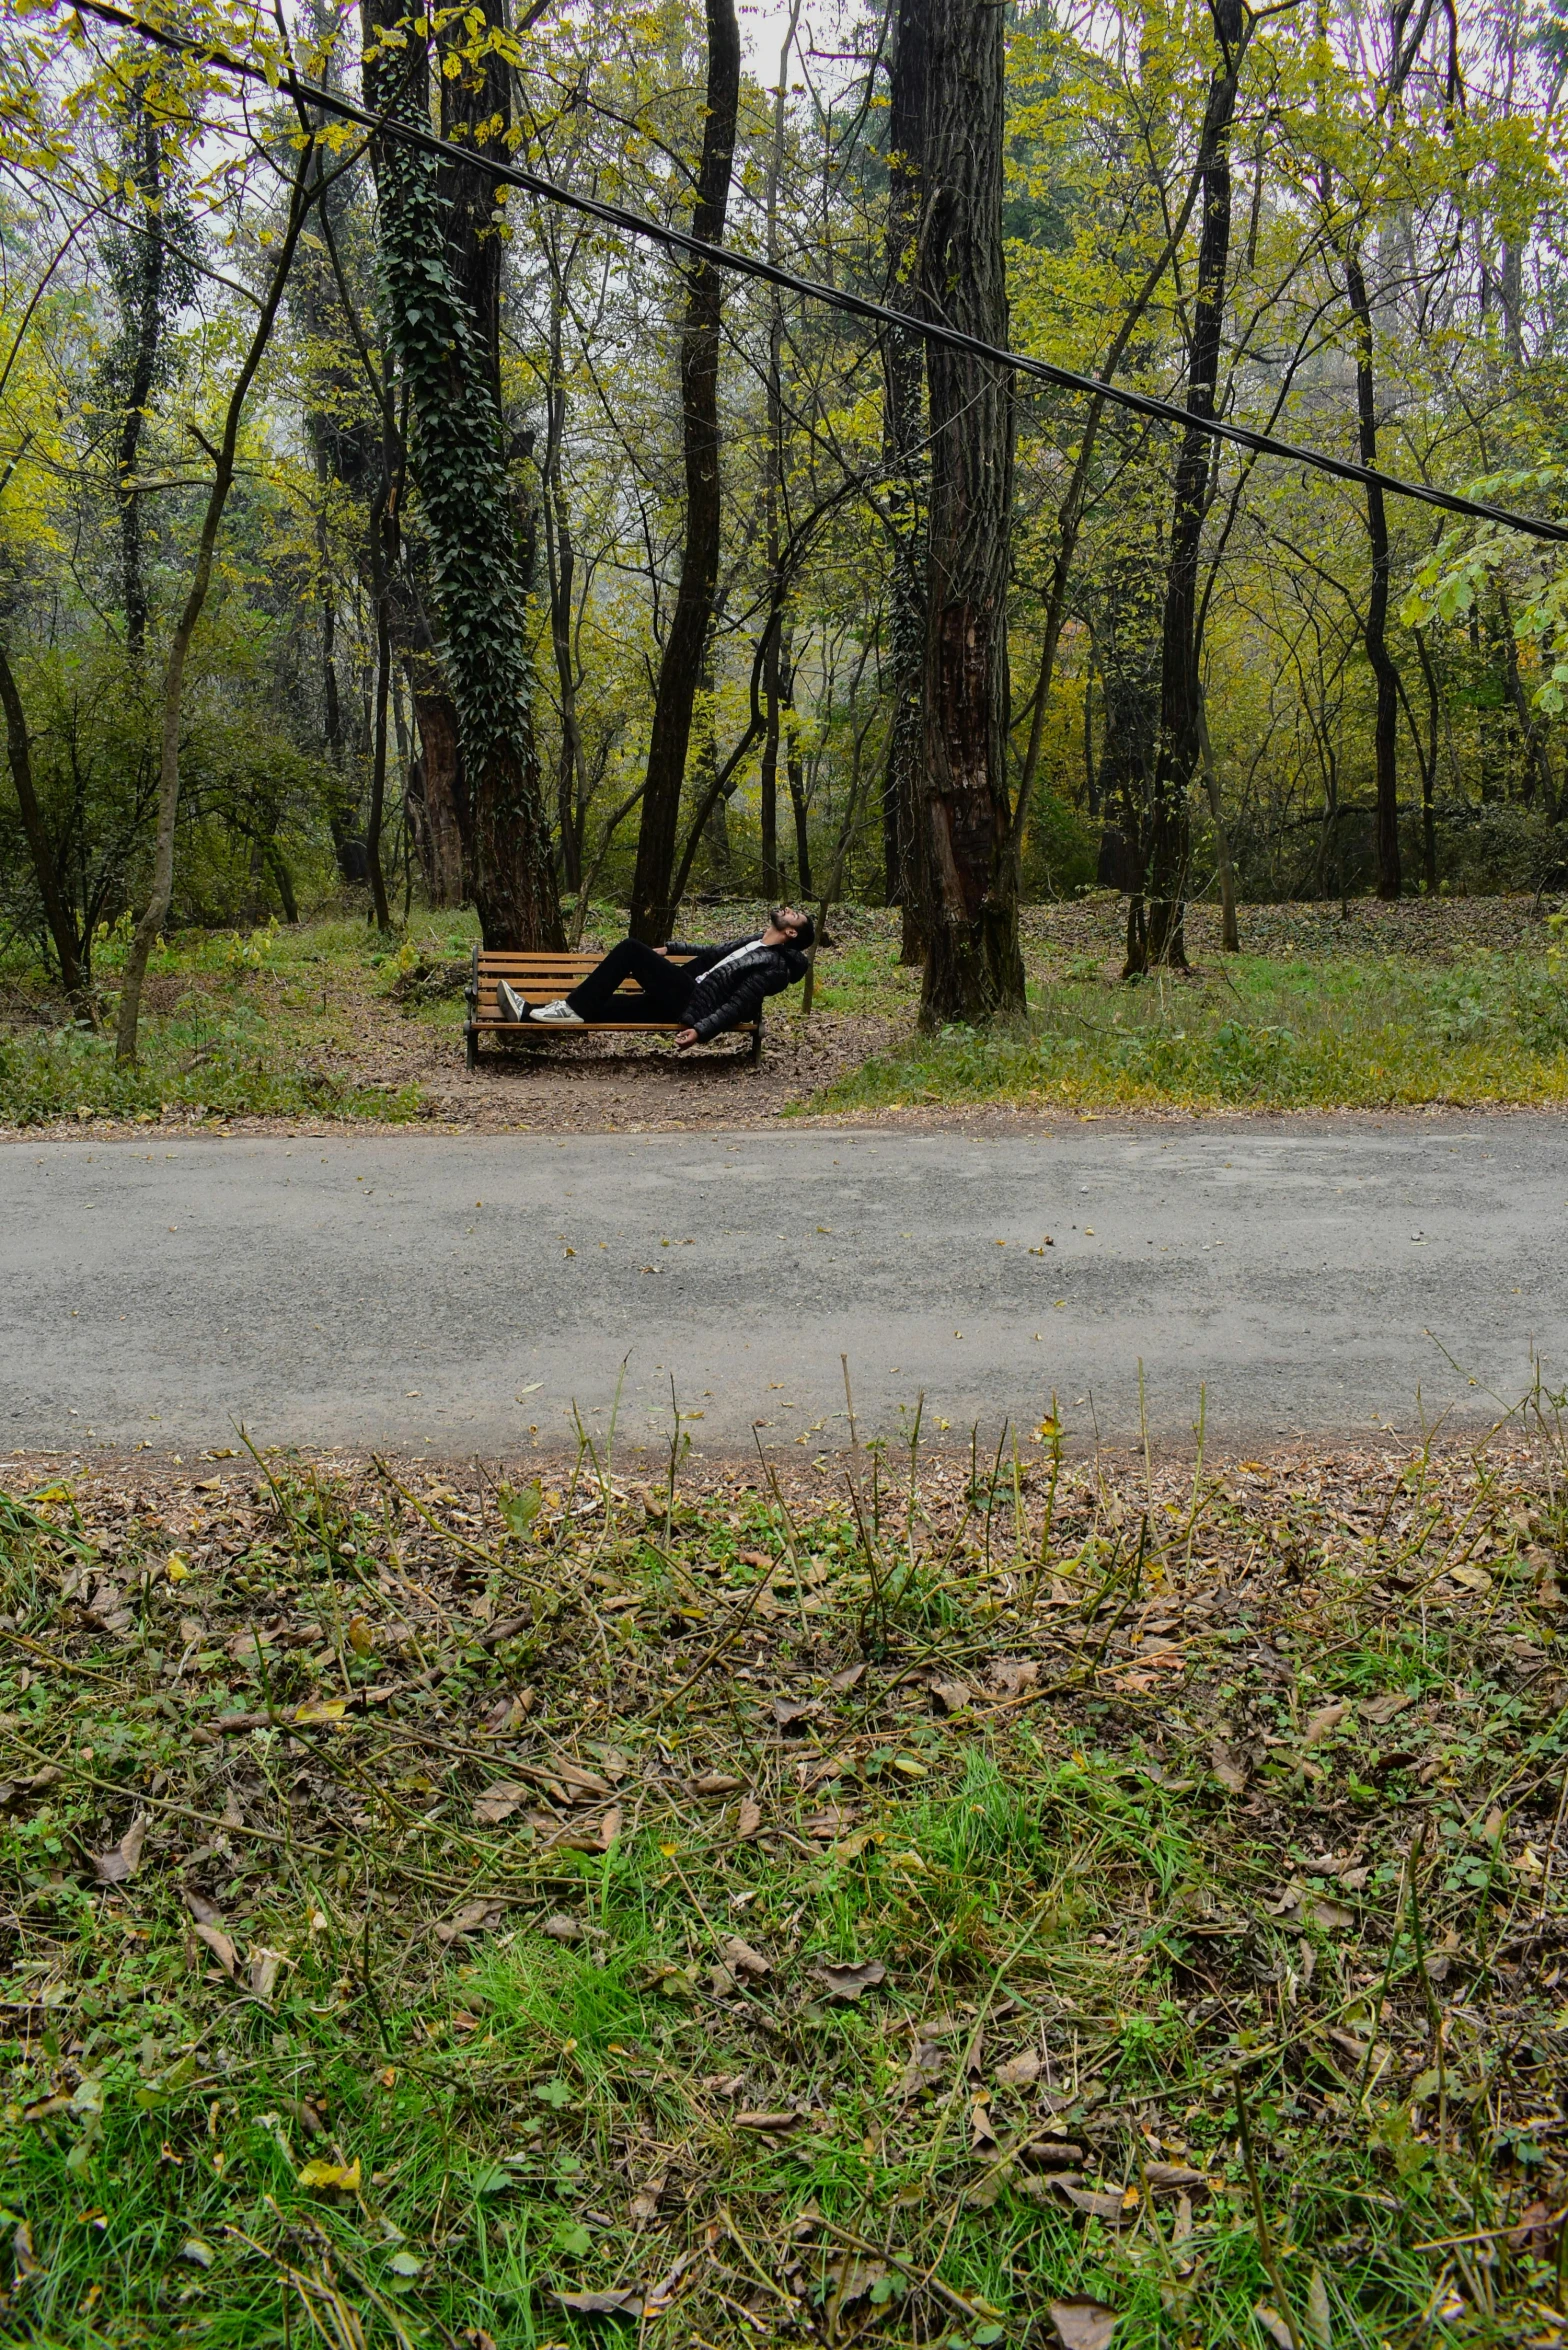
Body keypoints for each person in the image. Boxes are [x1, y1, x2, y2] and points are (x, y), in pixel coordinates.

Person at [496, 906, 814, 1050]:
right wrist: (671, 948)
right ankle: (528, 1012)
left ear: (790, 932)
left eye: (794, 915)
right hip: (682, 990)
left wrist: (700, 1032)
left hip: (692, 1000)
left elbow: (738, 1004)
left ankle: (567, 1009)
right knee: (608, 1007)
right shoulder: (754, 941)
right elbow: (713, 950)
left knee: (631, 950)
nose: (787, 909)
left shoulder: (773, 967)